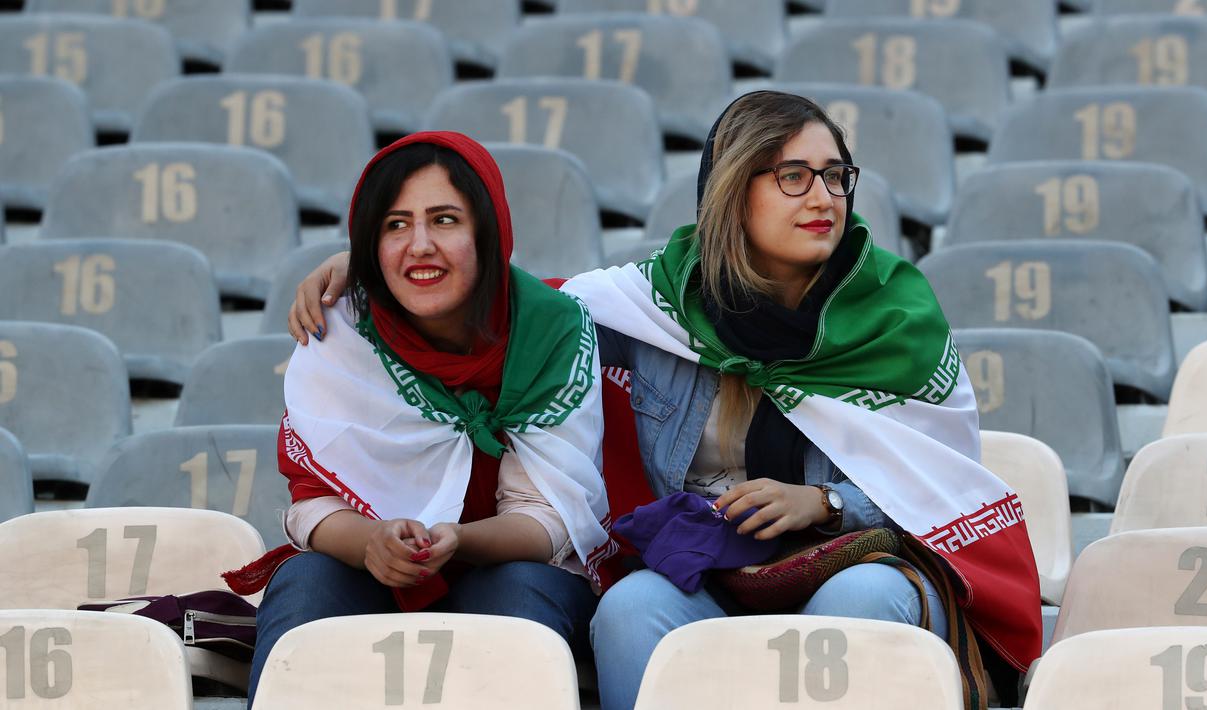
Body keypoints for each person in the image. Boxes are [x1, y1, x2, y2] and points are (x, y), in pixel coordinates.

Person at [288, 93, 1042, 710]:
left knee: (861, 595)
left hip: (863, 564)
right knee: (629, 607)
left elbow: (936, 484)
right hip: (710, 572)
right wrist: (377, 266)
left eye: (835, 175)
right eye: (792, 177)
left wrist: (823, 504)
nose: (822, 197)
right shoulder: (652, 306)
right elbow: (515, 314)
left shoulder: (895, 319)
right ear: (730, 190)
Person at [239, 131, 616, 702]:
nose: (418, 245)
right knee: (307, 581)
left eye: (444, 220)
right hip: (376, 565)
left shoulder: (551, 331)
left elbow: (548, 521)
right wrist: (372, 543)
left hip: (512, 565)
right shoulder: (341, 328)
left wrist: (456, 540)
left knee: (515, 592)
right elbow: (311, 504)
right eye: (395, 225)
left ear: (489, 233)